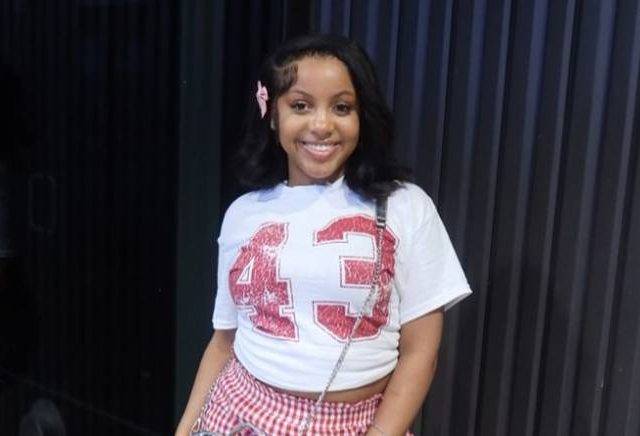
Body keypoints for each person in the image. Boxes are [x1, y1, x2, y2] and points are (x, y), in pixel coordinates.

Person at [176, 34, 472, 436]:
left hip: (361, 425)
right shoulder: (244, 214)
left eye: (342, 107)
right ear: (272, 114)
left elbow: (420, 353)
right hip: (237, 414)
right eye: (300, 105)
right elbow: (225, 341)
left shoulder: (405, 206)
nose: (321, 125)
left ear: (362, 116)